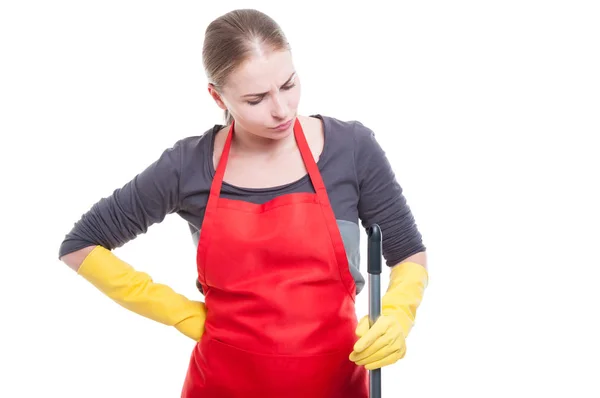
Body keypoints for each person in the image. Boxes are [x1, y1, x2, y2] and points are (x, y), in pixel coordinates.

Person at [58, 8, 429, 398]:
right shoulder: (188, 166)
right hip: (221, 384)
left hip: (336, 383)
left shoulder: (351, 148)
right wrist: (180, 313)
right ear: (217, 95)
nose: (282, 110)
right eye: (256, 99)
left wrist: (397, 316)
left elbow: (408, 254)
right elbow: (80, 245)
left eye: (288, 85)